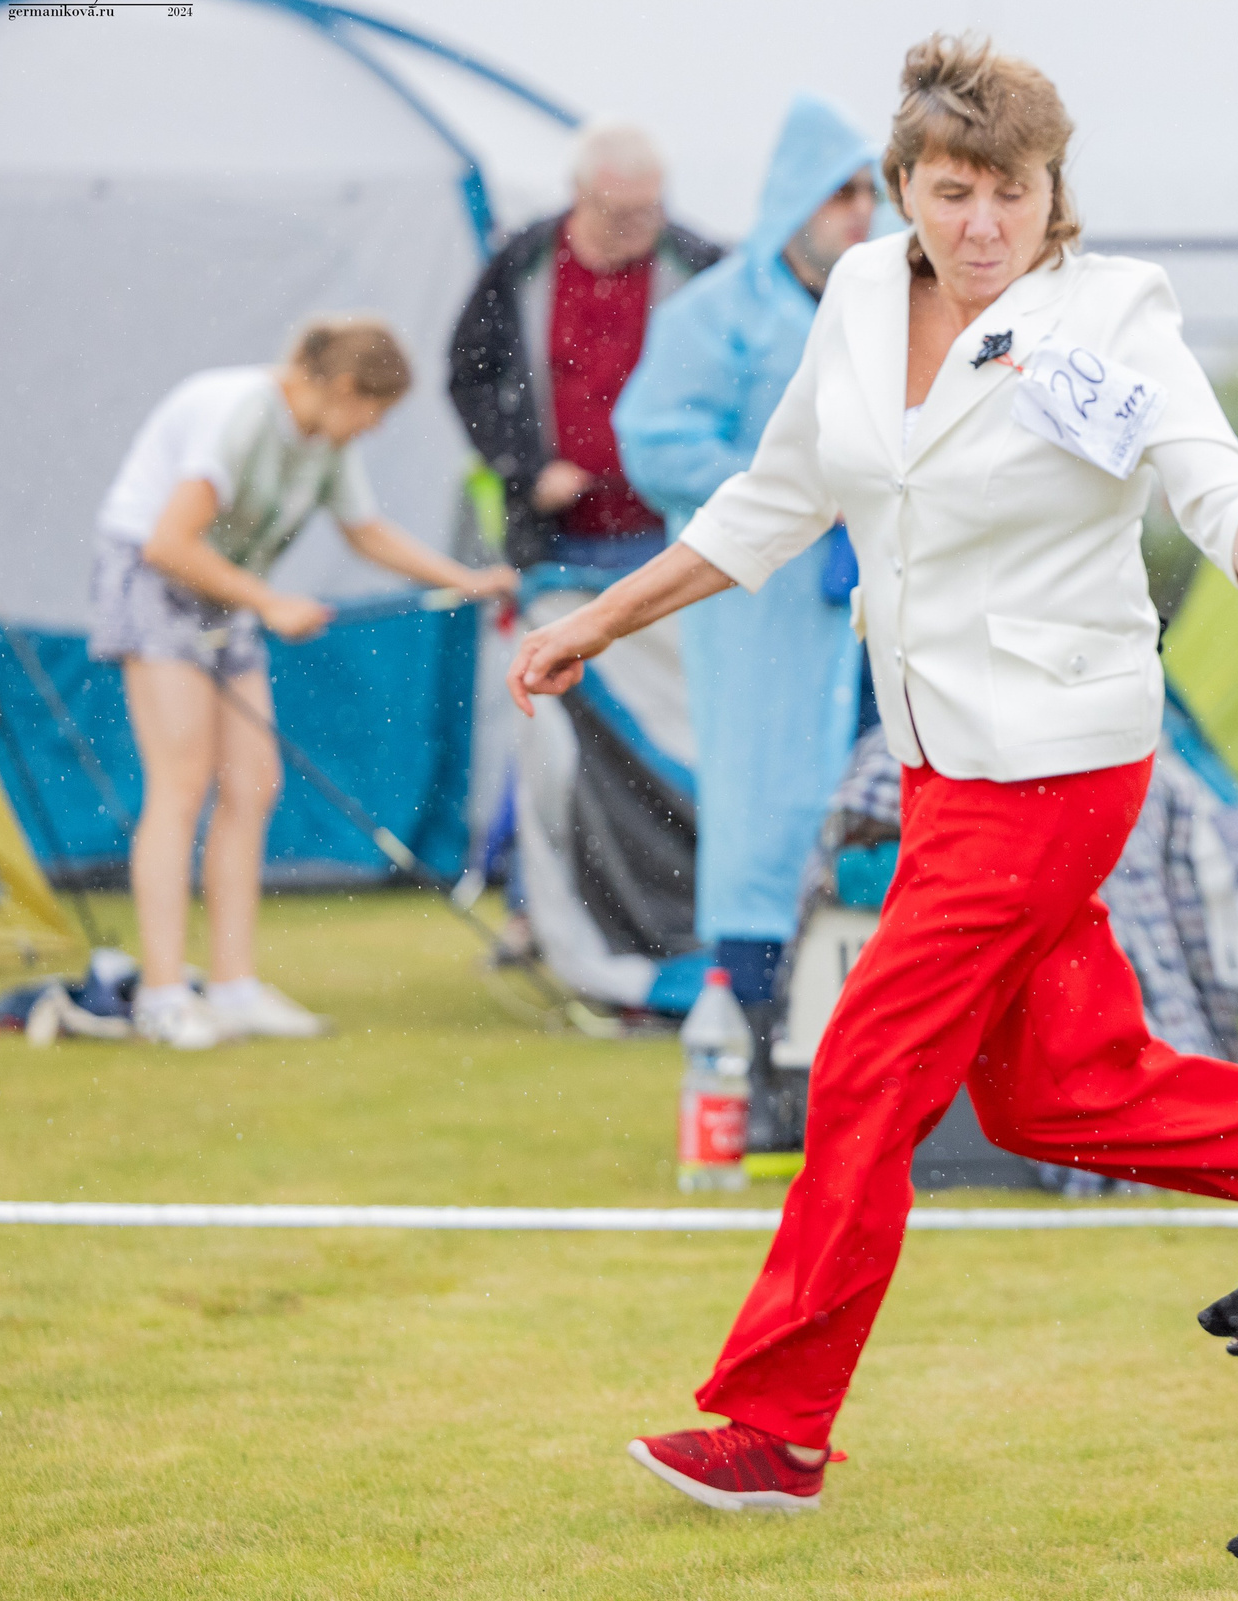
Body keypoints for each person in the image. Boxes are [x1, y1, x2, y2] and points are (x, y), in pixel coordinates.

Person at [507, 35, 1238, 1509]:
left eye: (1013, 191)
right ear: (903, 191)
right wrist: (594, 624)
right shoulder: (864, 295)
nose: (983, 223)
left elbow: (1209, 474)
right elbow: (775, 498)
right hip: (940, 760)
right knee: (1056, 1095)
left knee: (865, 1073)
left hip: (1058, 768)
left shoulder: (1115, 310)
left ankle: (777, 1428)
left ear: (1054, 192)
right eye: (953, 192)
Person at [90, 319, 518, 1050]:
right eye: (373, 415)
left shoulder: (325, 438)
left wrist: (467, 580)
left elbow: (366, 530)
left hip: (229, 590)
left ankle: (231, 987)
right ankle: (162, 997)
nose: (371, 430)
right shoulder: (242, 414)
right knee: (181, 784)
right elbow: (169, 542)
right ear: (345, 390)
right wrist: (271, 603)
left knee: (252, 784)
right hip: (154, 579)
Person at [612, 94, 882, 1019]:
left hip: (873, 603)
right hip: (758, 602)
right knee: (763, 808)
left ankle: (868, 1047)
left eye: (868, 191)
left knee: (881, 808)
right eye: (838, 192)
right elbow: (652, 438)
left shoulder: (883, 307)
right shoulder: (717, 313)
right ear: (794, 199)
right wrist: (792, 489)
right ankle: (757, 1035)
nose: (858, 210)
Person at [448, 121, 723, 573]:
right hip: (555, 538)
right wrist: (525, 470)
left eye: (651, 209)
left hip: (678, 530)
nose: (641, 226)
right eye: (621, 213)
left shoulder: (699, 266)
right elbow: (469, 374)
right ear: (578, 194)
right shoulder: (520, 264)